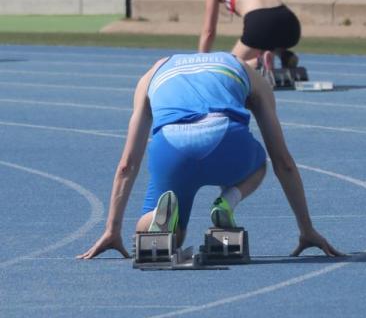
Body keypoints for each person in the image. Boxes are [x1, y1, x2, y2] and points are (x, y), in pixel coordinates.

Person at [78, 51, 342, 259]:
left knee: (169, 237)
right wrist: (306, 229)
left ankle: (164, 218)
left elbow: (127, 165)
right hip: (226, 141)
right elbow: (283, 162)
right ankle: (228, 201)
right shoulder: (244, 69)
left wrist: (112, 229)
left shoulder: (151, 74)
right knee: (260, 161)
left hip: (172, 147)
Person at [200, 0, 301, 76]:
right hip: (290, 24)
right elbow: (271, 18)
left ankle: (258, 62)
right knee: (266, 36)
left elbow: (208, 31)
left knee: (228, 68)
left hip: (261, 22)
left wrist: (201, 62)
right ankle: (285, 55)